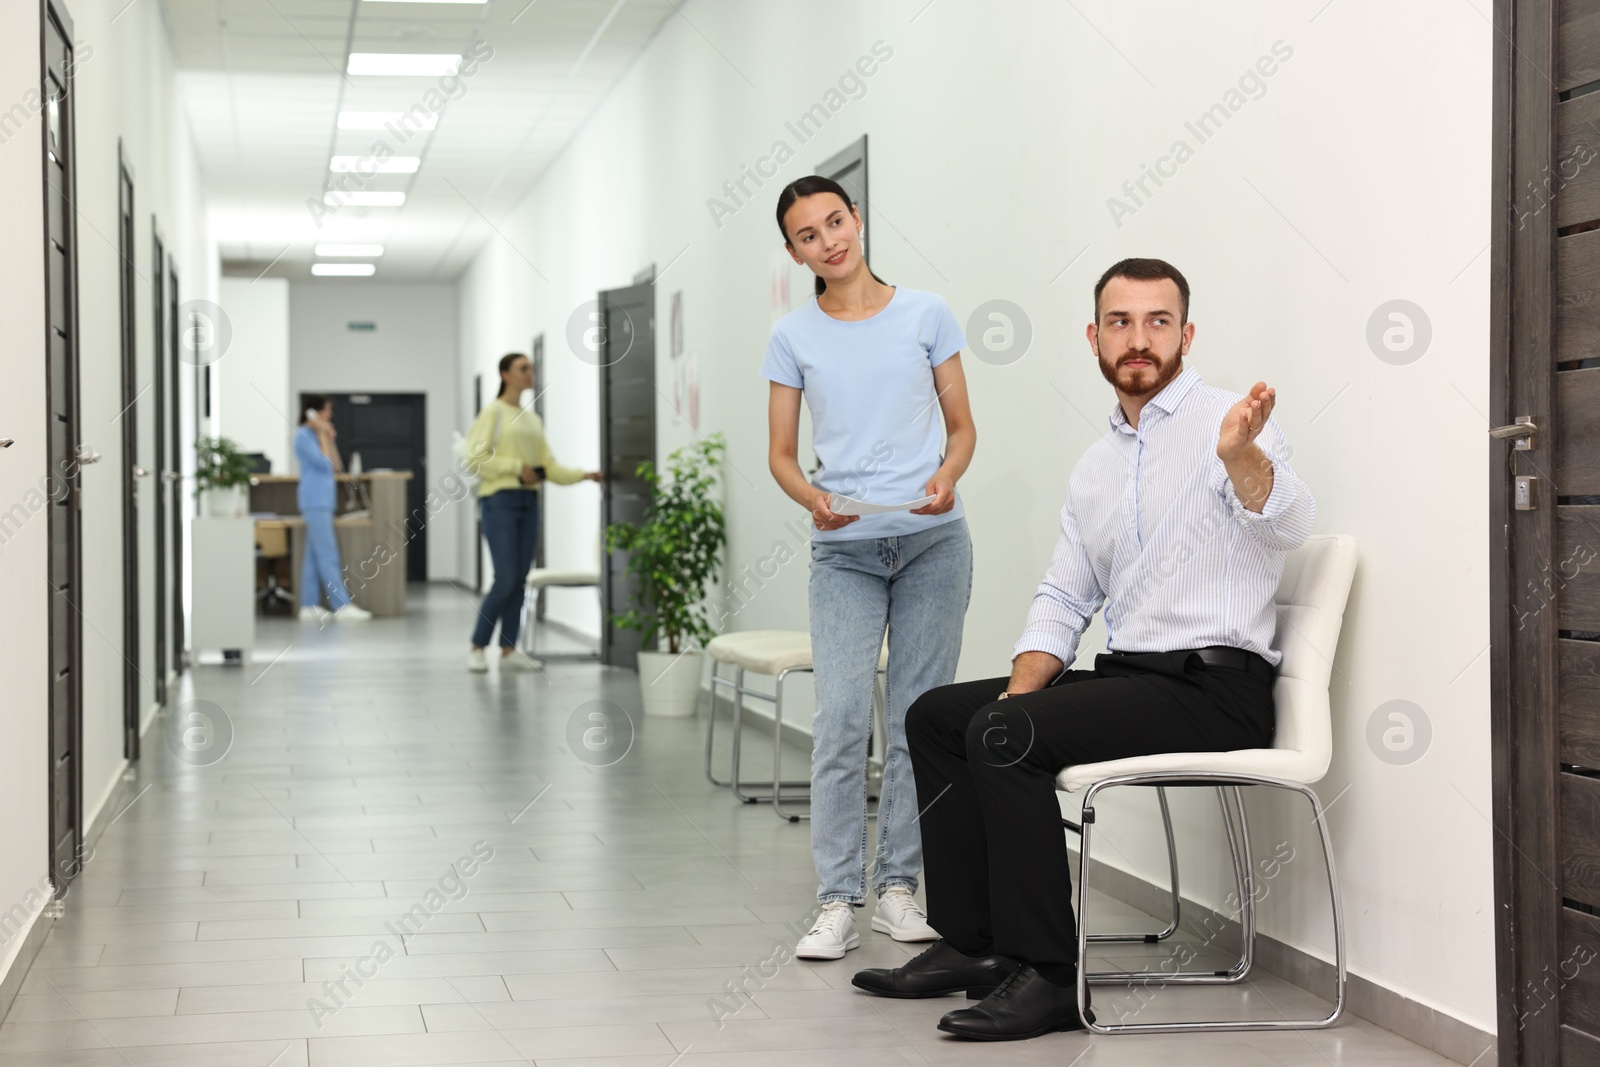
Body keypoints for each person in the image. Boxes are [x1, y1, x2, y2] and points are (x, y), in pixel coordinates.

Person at [850, 258, 1315, 1041]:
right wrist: (1018, 695)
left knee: (1002, 734)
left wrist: (1242, 456)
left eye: (1158, 321)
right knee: (937, 715)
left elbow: (1288, 523)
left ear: (1186, 334)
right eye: (1121, 322)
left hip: (1216, 692)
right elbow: (1064, 598)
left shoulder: (1229, 424)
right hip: (1132, 679)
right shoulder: (1096, 467)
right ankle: (977, 943)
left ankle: (1051, 977)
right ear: (1094, 337)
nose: (1140, 339)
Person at [764, 176, 978, 960]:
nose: (829, 240)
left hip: (933, 544)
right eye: (808, 235)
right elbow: (782, 456)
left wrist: (948, 476)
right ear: (794, 253)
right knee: (843, 715)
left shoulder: (928, 315)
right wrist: (813, 499)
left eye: (835, 221)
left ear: (857, 220)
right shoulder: (792, 336)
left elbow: (961, 429)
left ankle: (897, 889)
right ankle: (835, 900)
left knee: (920, 718)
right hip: (846, 550)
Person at [464, 353, 602, 673]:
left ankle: (510, 651)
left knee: (520, 579)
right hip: (499, 500)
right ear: (505, 374)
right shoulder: (493, 412)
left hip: (529, 502)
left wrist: (584, 475)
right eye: (523, 368)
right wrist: (514, 466)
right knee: (506, 578)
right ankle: (477, 645)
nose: (530, 373)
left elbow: (549, 467)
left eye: (531, 368)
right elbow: (474, 458)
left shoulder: (532, 419)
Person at [295, 397, 372, 622]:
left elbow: (336, 465)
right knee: (328, 553)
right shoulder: (302, 435)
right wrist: (320, 434)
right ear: (313, 412)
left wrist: (329, 437)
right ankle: (341, 605)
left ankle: (308, 606)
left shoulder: (319, 436)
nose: (329, 415)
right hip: (314, 501)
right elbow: (323, 463)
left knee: (313, 555)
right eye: (327, 410)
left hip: (323, 501)